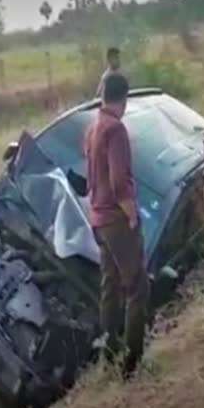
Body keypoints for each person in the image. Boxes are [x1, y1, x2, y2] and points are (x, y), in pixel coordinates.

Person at [84, 73, 148, 378]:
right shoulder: (116, 129)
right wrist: (132, 214)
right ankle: (132, 361)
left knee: (109, 286)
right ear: (124, 98)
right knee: (136, 286)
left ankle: (108, 352)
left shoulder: (92, 127)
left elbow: (91, 179)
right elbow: (119, 180)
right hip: (116, 219)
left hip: (97, 219)